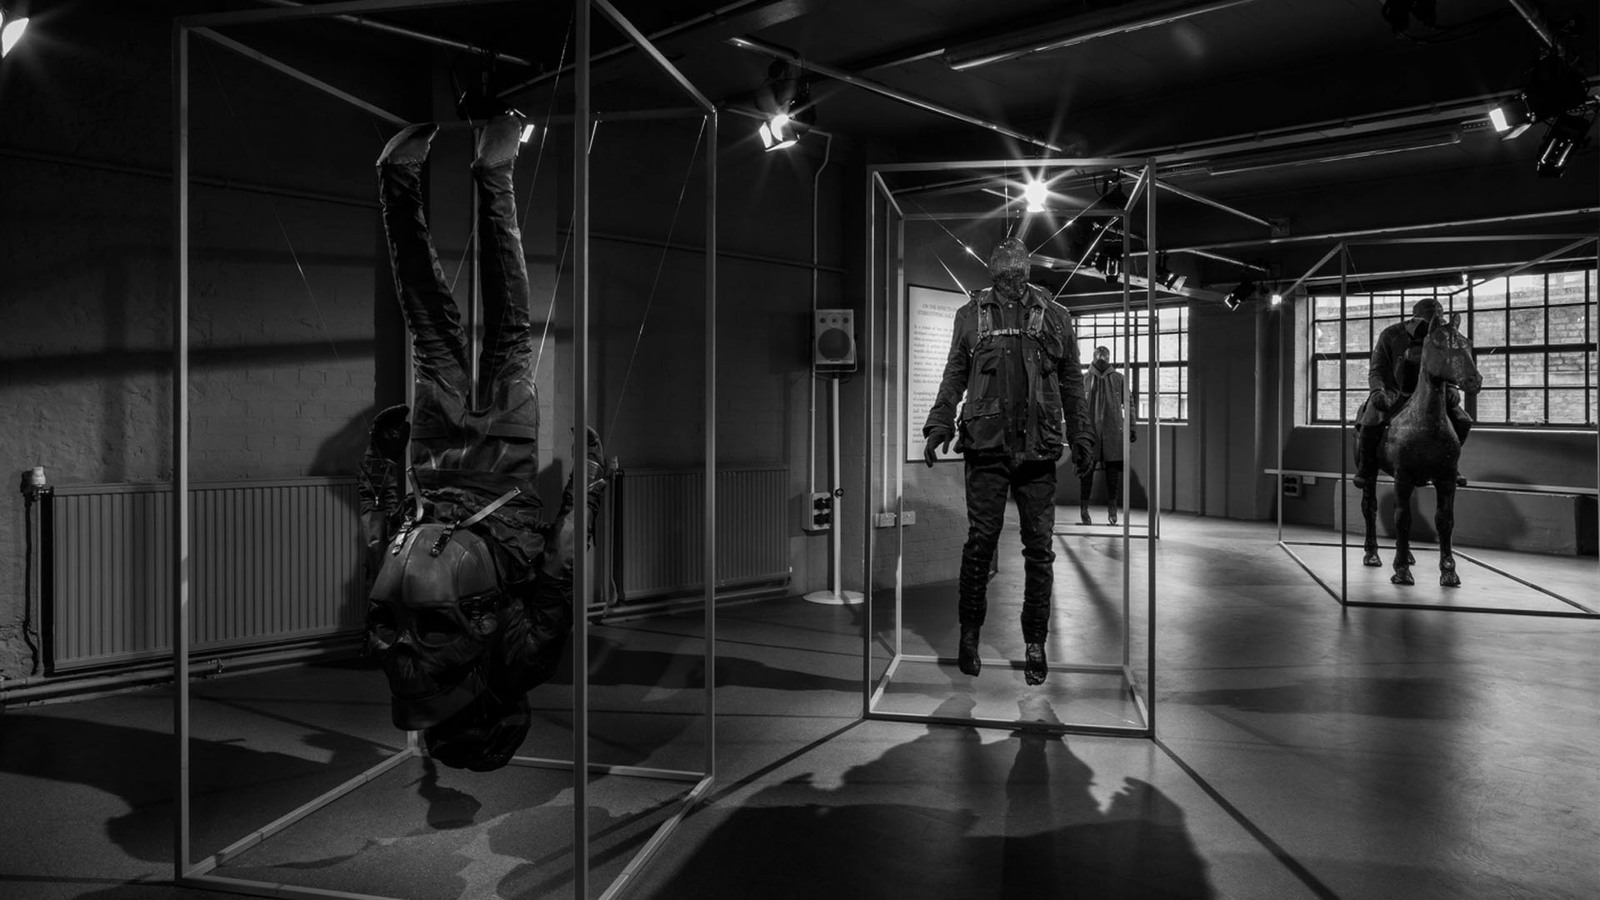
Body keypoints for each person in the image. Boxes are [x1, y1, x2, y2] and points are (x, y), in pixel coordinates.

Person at [358, 114, 605, 771]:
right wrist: (381, 465)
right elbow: (377, 552)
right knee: (429, 317)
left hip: (503, 476)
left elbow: (561, 567)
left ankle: (495, 171)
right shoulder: (400, 673)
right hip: (433, 469)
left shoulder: (520, 667)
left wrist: (589, 487)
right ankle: (399, 180)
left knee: (509, 324)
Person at [922, 237, 1094, 686]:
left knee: (1040, 552)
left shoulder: (1055, 317)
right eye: (1003, 276)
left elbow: (1073, 383)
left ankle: (1035, 641)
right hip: (987, 447)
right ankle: (970, 635)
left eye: (1016, 275)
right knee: (980, 544)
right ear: (994, 275)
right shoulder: (970, 316)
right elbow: (955, 373)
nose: (1010, 284)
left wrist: (1082, 434)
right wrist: (939, 423)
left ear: (1028, 273)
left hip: (1038, 451)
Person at [1354, 296, 1472, 490]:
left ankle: (1450, 463)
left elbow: (1448, 367)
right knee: (1371, 419)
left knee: (1463, 420)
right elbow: (1377, 369)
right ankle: (1366, 467)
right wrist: (1377, 391)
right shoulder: (1391, 335)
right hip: (1396, 392)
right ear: (1415, 319)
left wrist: (1451, 388)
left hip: (1431, 394)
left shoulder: (1442, 337)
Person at [1079, 345, 1136, 525]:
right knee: (1086, 472)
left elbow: (1130, 404)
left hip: (1112, 432)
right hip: (1090, 432)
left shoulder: (1119, 379)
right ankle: (1084, 509)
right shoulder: (1085, 379)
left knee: (1113, 475)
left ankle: (1112, 509)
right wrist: (1077, 432)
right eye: (1099, 355)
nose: (1102, 358)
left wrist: (1132, 427)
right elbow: (1076, 407)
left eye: (1104, 355)